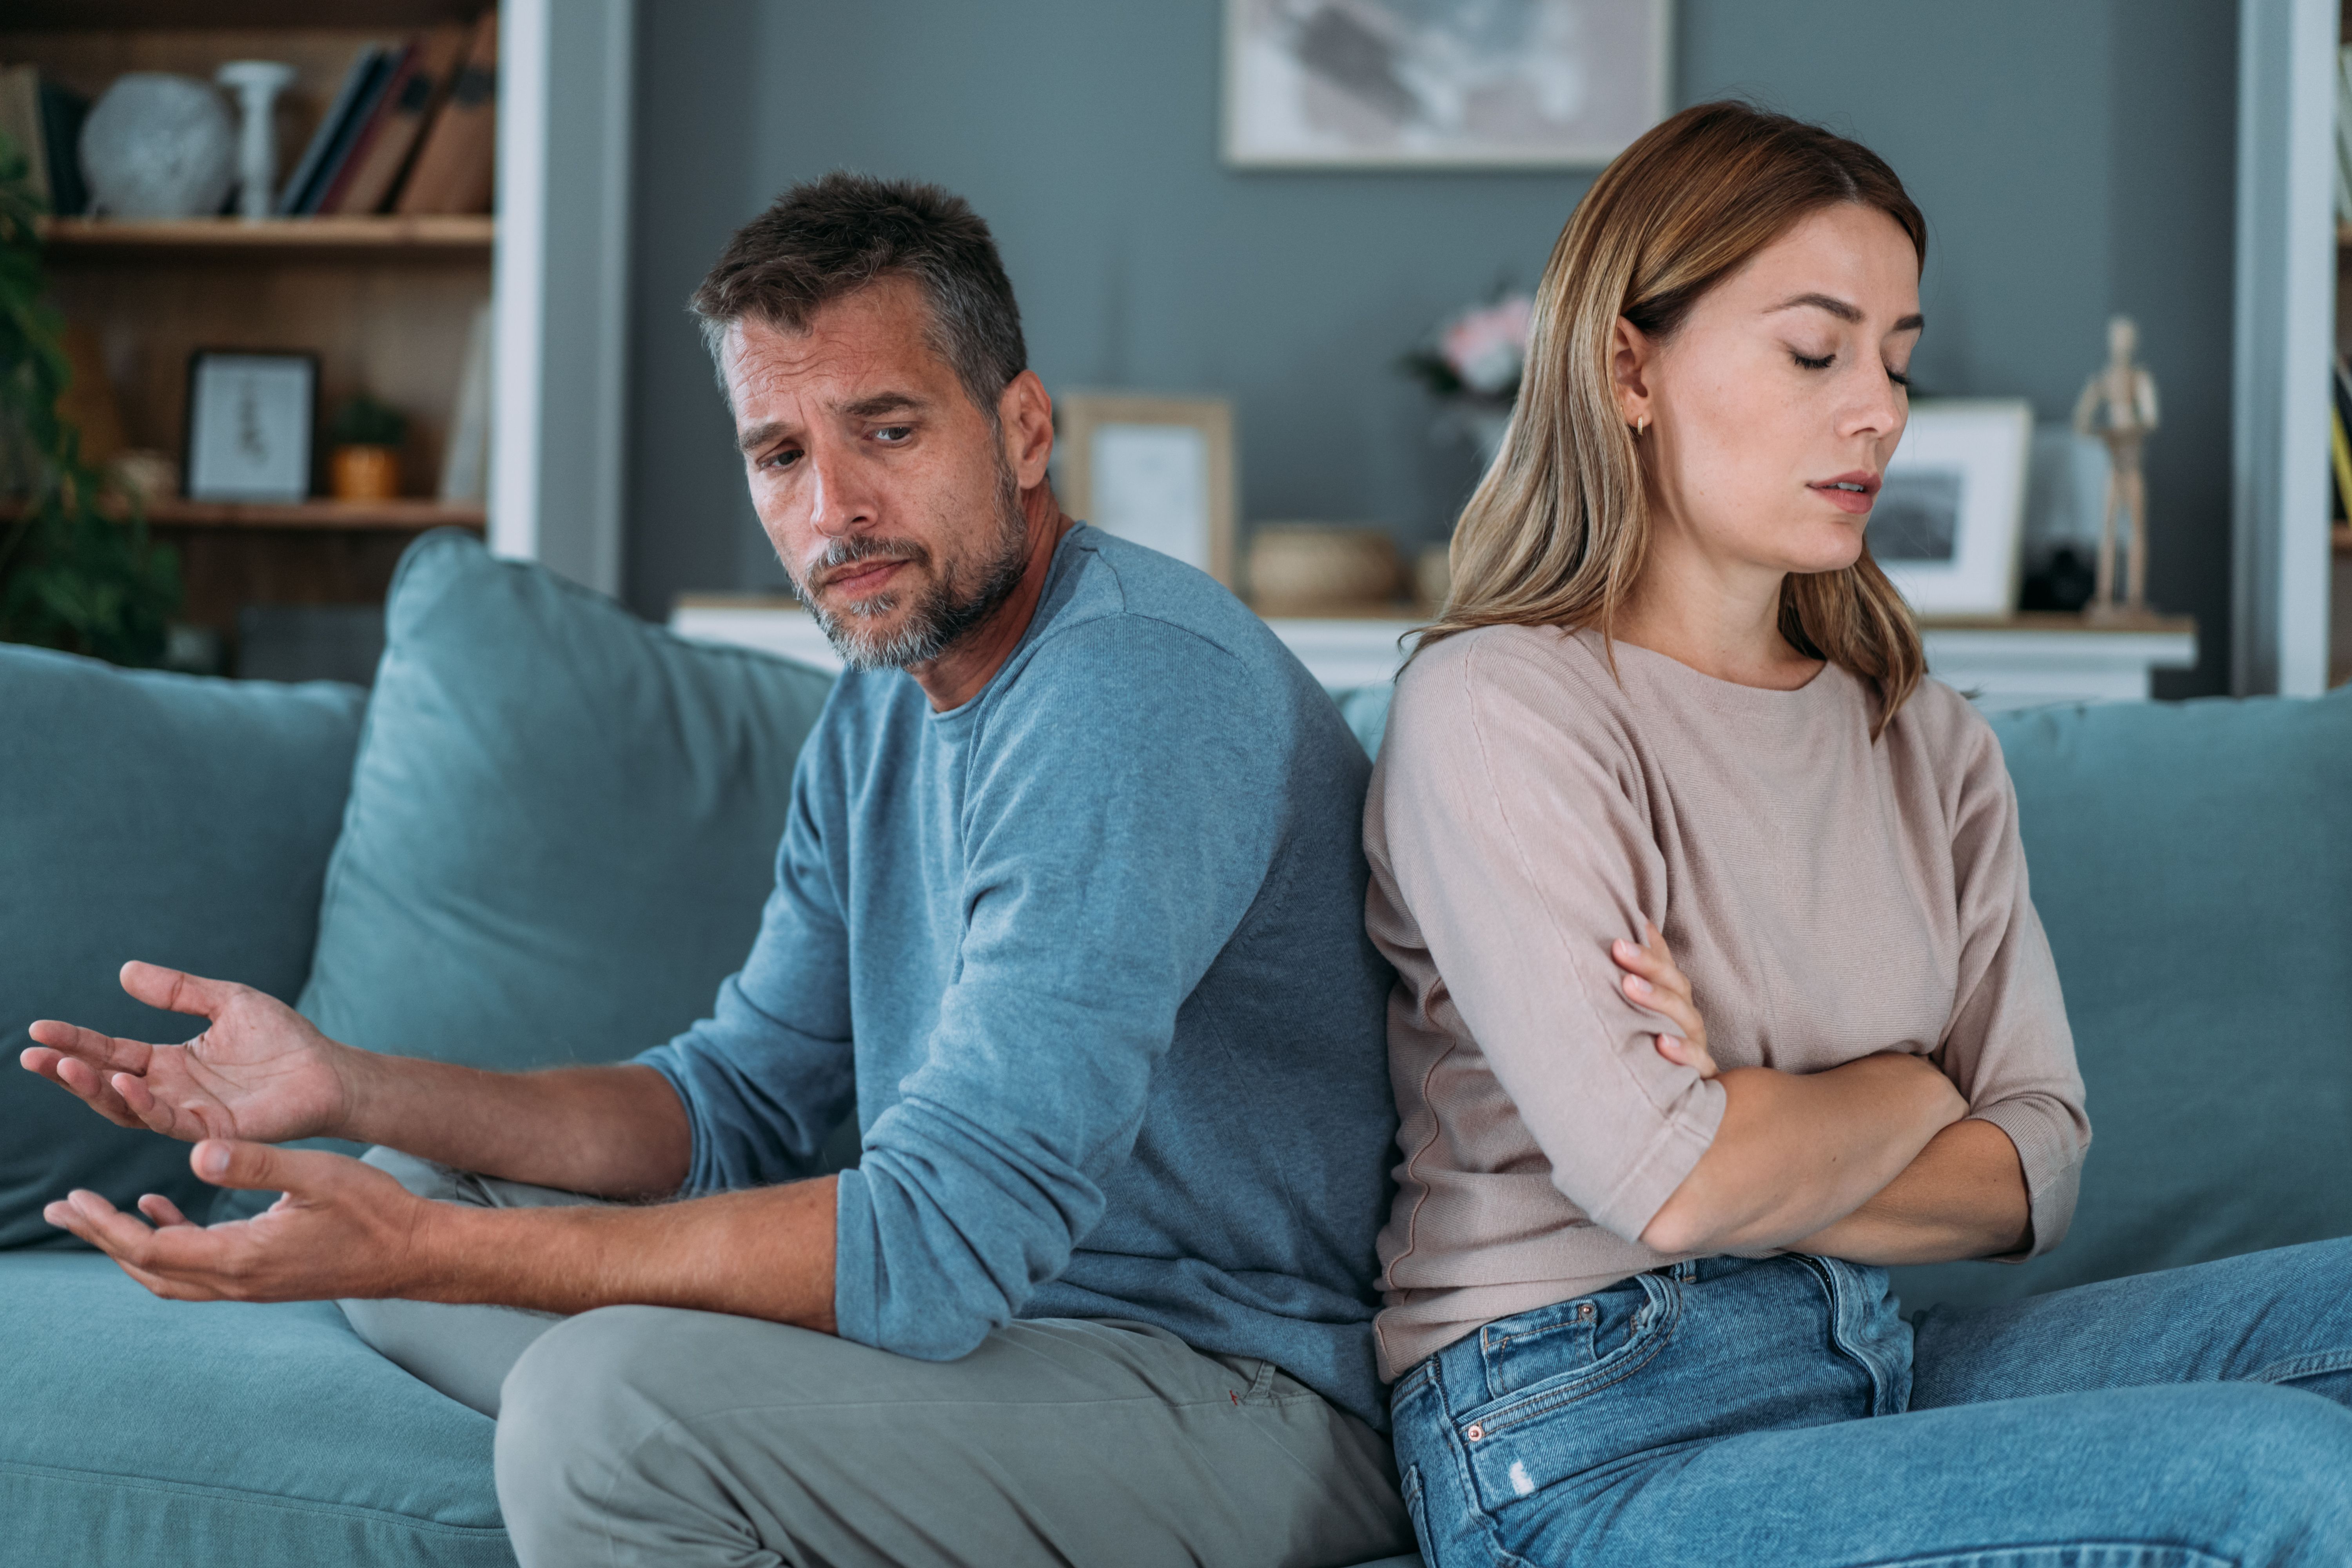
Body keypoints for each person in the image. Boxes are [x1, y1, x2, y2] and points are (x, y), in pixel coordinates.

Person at [24, 174, 1413, 1568]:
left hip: (1231, 1382)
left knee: (595, 1404)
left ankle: (680, 1455)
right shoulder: (880, 706)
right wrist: (350, 1087)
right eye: (781, 454)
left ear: (1024, 428)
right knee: (422, 1184)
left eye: (888, 429)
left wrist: (424, 1255)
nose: (835, 510)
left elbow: (946, 1240)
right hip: (993, 1342)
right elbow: (732, 1101)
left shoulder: (1131, 692)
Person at [1367, 102, 2352, 1567]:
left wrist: (1754, 1113)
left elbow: (2036, 1165)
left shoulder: (1923, 738)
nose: (1881, 411)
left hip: (1861, 1354)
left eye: (1897, 358)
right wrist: (1913, 1085)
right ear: (1629, 368)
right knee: (2274, 1476)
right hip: (1577, 1430)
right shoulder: (1501, 709)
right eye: (1816, 353)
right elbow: (1672, 1184)